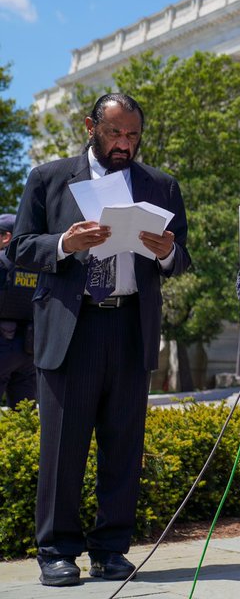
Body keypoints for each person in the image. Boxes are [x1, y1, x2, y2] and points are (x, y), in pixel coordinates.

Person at [10, 93, 190, 587]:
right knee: (64, 447)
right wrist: (66, 244)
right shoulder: (48, 178)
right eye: (114, 133)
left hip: (130, 326)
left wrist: (168, 251)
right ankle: (56, 551)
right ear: (91, 126)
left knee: (123, 447)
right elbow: (21, 248)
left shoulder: (160, 185)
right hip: (73, 327)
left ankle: (111, 550)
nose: (123, 144)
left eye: (132, 135)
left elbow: (183, 257)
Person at [0, 212, 37, 407]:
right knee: (24, 413)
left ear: (6, 237)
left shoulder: (1, 262)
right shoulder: (38, 263)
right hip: (30, 347)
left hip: (2, 343)